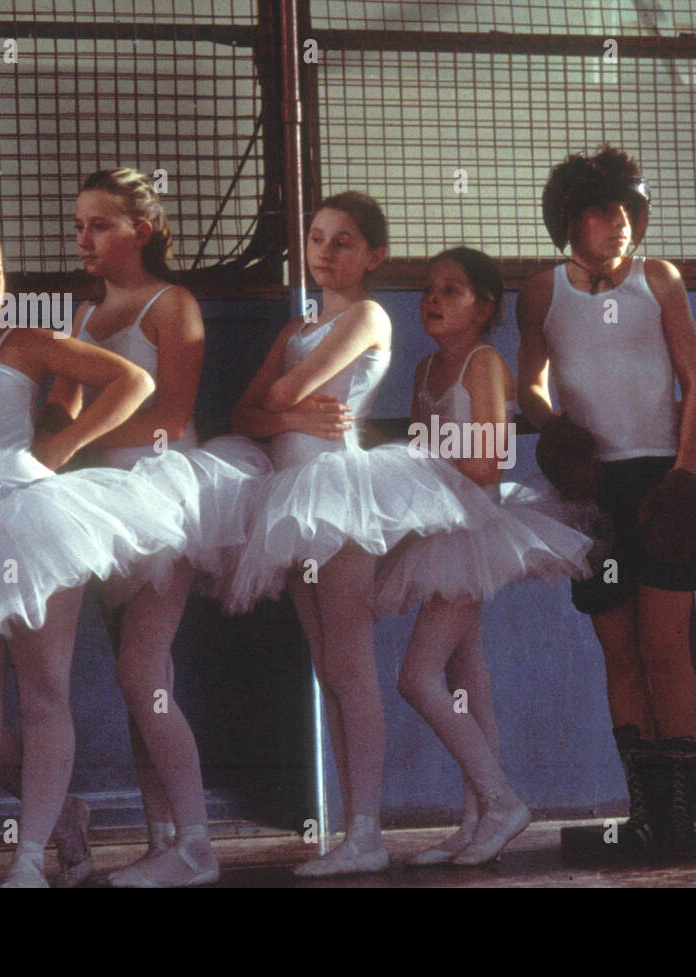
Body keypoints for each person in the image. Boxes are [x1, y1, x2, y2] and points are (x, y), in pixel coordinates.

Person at [0, 216, 188, 886]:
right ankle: (64, 816)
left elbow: (132, 383)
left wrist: (62, 447)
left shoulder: (25, 340)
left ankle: (27, 859)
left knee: (45, 691)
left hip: (33, 517)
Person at [230, 192, 475, 876]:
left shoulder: (367, 315)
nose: (324, 252)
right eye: (315, 238)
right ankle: (351, 829)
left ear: (375, 255)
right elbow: (246, 414)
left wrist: (285, 409)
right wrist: (292, 417)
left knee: (350, 660)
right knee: (327, 668)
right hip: (291, 497)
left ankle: (367, 831)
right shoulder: (295, 328)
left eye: (343, 241)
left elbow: (276, 398)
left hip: (338, 495)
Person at [44, 168, 270, 886]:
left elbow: (173, 414)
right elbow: (61, 405)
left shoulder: (174, 304)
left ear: (140, 232)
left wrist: (73, 440)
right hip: (100, 501)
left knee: (143, 670)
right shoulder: (83, 316)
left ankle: (198, 845)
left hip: (165, 491)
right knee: (144, 678)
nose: (84, 238)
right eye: (79, 225)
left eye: (99, 225)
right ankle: (162, 836)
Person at [517, 146, 696, 855]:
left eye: (628, 207)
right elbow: (529, 387)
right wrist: (555, 434)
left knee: (665, 645)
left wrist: (684, 477)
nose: (619, 220)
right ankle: (644, 808)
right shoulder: (541, 292)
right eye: (603, 209)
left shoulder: (661, 280)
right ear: (570, 220)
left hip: (663, 481)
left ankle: (686, 809)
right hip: (592, 490)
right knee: (619, 652)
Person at [375, 247, 592, 865]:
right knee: (466, 681)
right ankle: (476, 823)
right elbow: (423, 455)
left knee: (416, 677)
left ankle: (501, 802)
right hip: (439, 533)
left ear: (486, 305)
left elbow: (488, 464)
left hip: (476, 532)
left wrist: (411, 466)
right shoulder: (423, 371)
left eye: (453, 290)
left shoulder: (485, 363)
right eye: (428, 289)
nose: (434, 300)